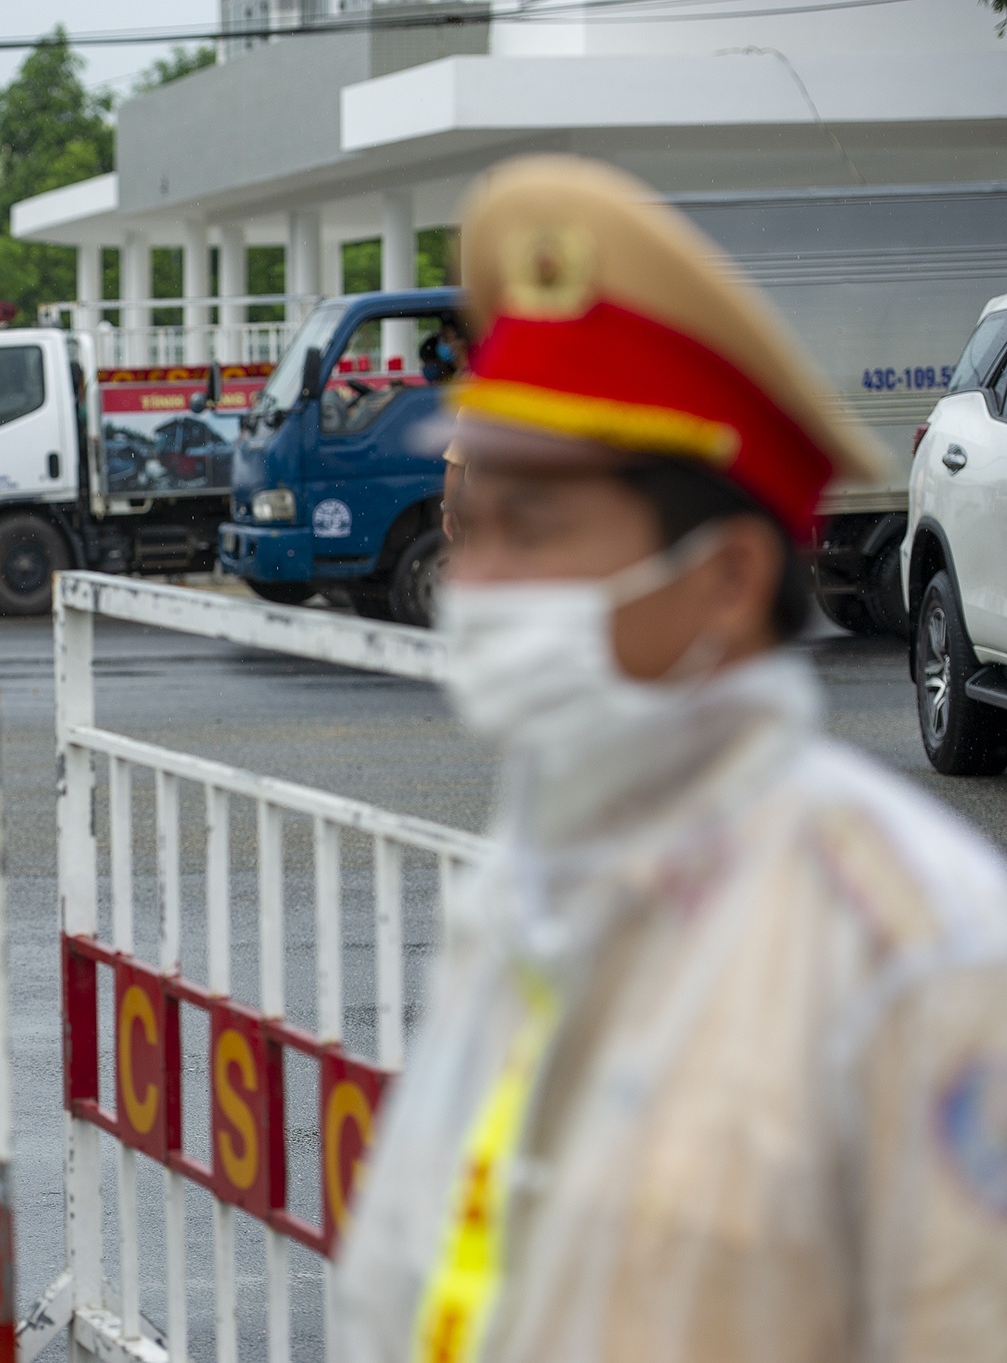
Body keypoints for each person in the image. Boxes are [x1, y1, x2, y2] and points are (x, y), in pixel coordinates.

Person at [336, 155, 1007, 1363]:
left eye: (533, 527)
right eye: (464, 528)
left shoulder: (908, 953)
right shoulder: (541, 881)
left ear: (724, 579)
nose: (475, 583)